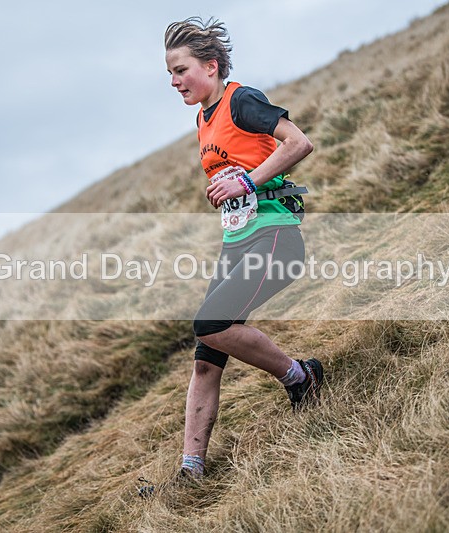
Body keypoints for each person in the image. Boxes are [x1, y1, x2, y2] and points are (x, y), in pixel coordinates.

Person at [164, 16, 324, 481]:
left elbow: (299, 142)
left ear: (211, 66)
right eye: (170, 74)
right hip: (237, 245)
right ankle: (191, 469)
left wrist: (247, 181)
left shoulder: (241, 100)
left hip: (275, 238)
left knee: (210, 324)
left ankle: (300, 376)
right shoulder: (203, 119)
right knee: (206, 353)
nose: (174, 82)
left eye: (181, 70)